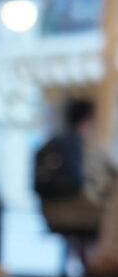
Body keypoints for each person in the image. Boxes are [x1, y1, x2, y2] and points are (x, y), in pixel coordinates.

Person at [36, 98, 118, 236]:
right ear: (90, 119)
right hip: (74, 210)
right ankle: (101, 255)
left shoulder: (55, 142)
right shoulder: (83, 147)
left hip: (48, 211)